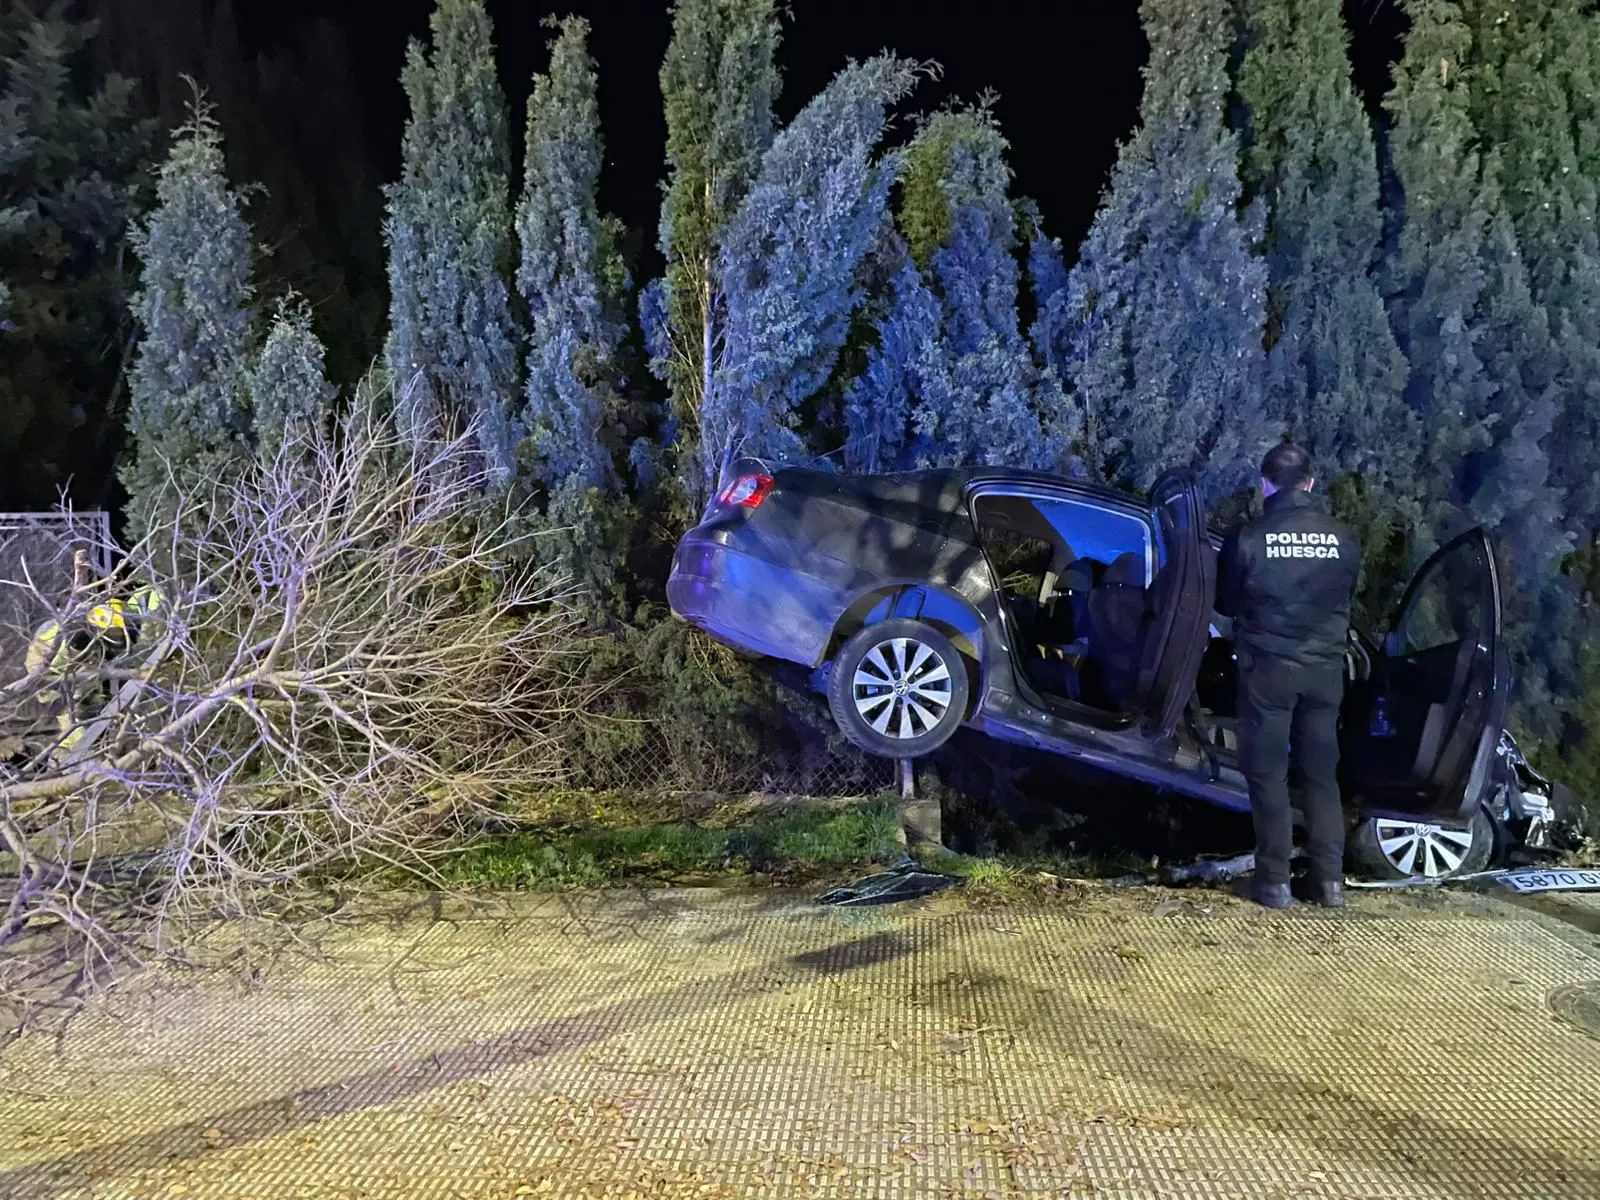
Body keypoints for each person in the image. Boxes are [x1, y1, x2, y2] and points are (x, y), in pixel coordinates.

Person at [1217, 442, 1361, 910]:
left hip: (1269, 672)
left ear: (1265, 484)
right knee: (1321, 777)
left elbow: (1225, 604)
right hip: (1325, 674)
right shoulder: (1344, 538)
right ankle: (1329, 884)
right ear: (1310, 483)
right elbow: (1344, 599)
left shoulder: (1247, 538)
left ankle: (1274, 882)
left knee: (1268, 774)